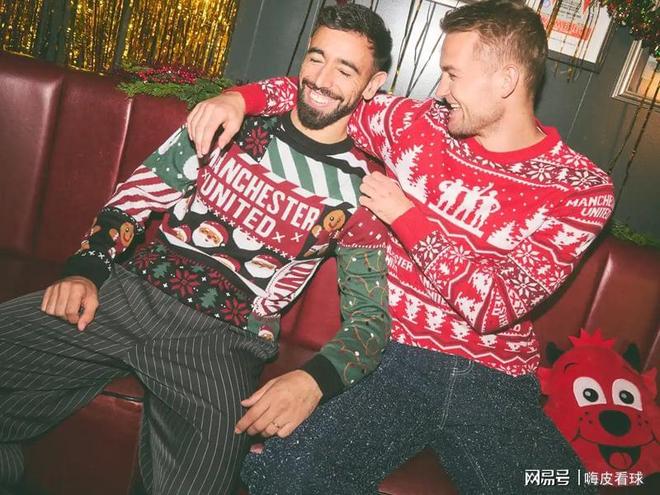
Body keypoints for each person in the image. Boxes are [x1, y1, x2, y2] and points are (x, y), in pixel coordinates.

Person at [186, 0, 614, 493]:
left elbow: (494, 306)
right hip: (395, 359)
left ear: (506, 80)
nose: (440, 90)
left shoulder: (580, 189)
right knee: (286, 474)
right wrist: (238, 100)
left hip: (495, 379)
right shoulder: (417, 124)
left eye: (452, 74)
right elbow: (325, 90)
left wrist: (405, 216)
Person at [0, 5, 393, 494]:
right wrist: (85, 270)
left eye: (345, 70)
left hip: (224, 341)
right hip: (133, 292)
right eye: (316, 58)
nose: (321, 79)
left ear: (373, 85)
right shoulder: (229, 120)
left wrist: (313, 381)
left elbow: (370, 322)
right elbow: (134, 200)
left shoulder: (364, 192)